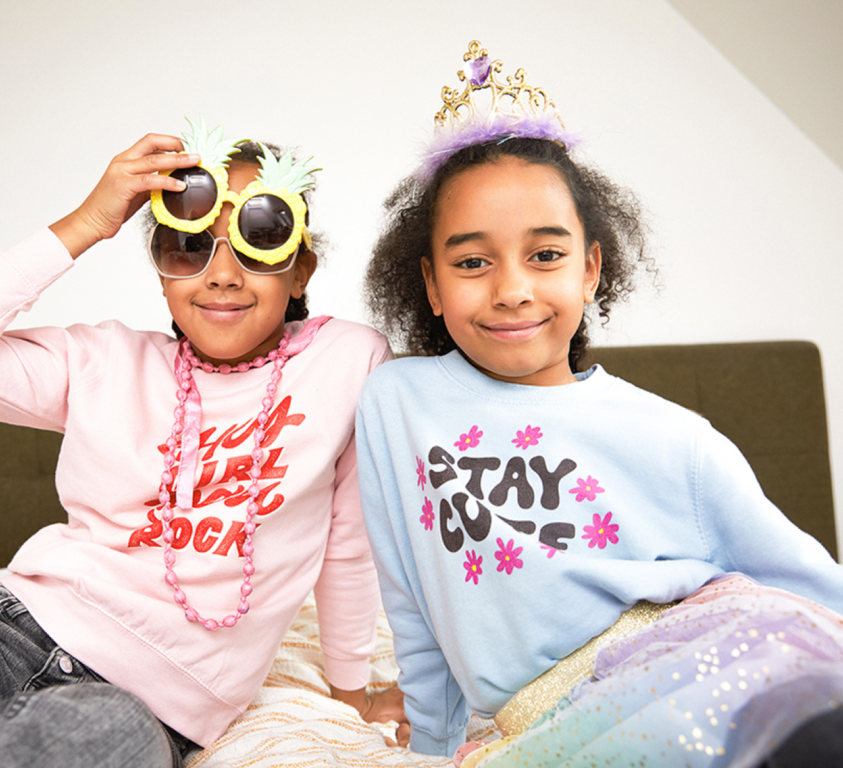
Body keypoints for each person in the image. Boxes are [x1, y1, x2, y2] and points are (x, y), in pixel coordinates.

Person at [0, 119, 399, 767]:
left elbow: (348, 542)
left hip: (139, 707)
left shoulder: (346, 360)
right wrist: (87, 223)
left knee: (104, 736)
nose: (222, 275)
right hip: (0, 633)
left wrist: (354, 695)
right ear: (161, 271)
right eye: (187, 247)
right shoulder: (101, 360)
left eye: (259, 240)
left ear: (300, 270)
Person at [356, 42, 843, 768]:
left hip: (713, 645)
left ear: (590, 271)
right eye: (472, 262)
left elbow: (812, 586)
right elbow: (412, 604)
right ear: (430, 284)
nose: (512, 289)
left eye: (546, 255)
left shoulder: (676, 440)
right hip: (558, 712)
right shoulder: (398, 403)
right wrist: (432, 744)